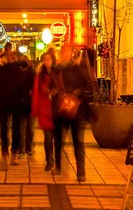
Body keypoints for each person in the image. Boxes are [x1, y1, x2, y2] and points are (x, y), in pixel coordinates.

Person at [53, 45, 93, 182]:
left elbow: (88, 85)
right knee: (58, 140)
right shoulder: (57, 70)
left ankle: (81, 171)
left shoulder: (78, 68)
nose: (63, 54)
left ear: (70, 54)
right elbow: (51, 86)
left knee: (78, 141)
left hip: (76, 110)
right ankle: (57, 165)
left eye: (66, 52)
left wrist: (77, 92)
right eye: (62, 52)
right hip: (60, 110)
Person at [31, 52, 63, 171]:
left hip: (57, 109)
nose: (46, 61)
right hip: (45, 109)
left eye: (48, 59)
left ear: (53, 60)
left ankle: (58, 161)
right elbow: (36, 93)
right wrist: (35, 111)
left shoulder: (58, 73)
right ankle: (49, 160)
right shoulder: (40, 76)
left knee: (57, 138)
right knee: (48, 138)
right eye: (45, 59)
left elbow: (63, 87)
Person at [0, 51, 23, 167]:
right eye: (9, 56)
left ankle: (11, 153)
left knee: (14, 129)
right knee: (6, 129)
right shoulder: (2, 70)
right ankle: (7, 153)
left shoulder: (18, 71)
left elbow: (23, 87)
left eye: (13, 57)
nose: (11, 58)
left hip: (13, 103)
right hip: (5, 102)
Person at [18, 55, 36, 157]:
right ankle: (25, 149)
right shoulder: (29, 73)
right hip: (24, 103)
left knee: (27, 128)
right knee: (27, 128)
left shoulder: (31, 73)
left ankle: (25, 149)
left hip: (27, 103)